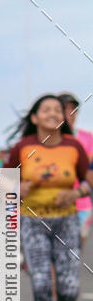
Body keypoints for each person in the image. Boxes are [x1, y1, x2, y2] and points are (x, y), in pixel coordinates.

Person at [6, 94, 91, 301]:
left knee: (69, 287)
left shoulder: (74, 147)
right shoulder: (22, 147)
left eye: (58, 110)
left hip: (66, 221)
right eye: (46, 110)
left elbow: (89, 180)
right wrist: (17, 188)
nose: (53, 113)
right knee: (41, 283)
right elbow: (0, 184)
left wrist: (77, 192)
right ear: (35, 117)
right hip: (33, 223)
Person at [58, 93, 93, 247]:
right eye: (65, 109)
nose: (70, 113)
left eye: (73, 109)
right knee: (56, 254)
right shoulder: (47, 139)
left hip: (82, 204)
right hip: (55, 205)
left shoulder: (87, 137)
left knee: (74, 253)